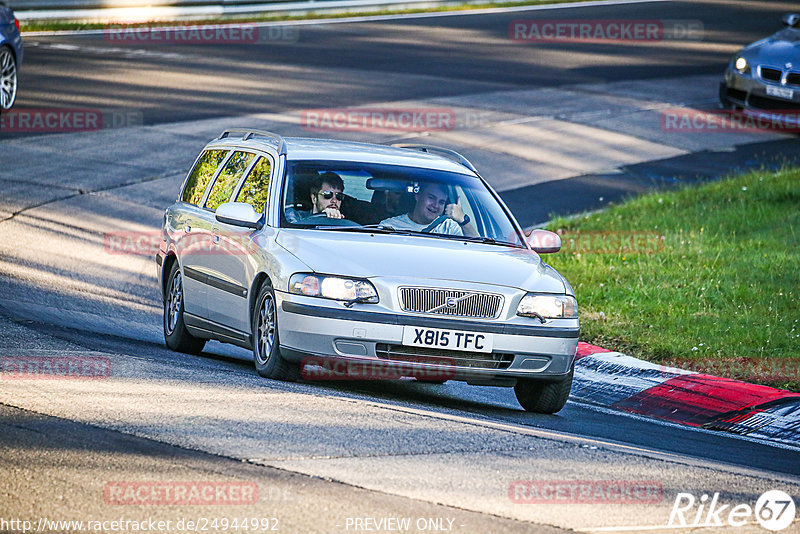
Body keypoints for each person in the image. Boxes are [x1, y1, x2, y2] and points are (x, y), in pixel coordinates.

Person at [379, 182, 478, 237]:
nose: (435, 205)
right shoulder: (390, 226)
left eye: (441, 202)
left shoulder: (450, 228)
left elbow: (478, 249)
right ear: (418, 196)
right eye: (431, 198)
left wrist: (463, 220)